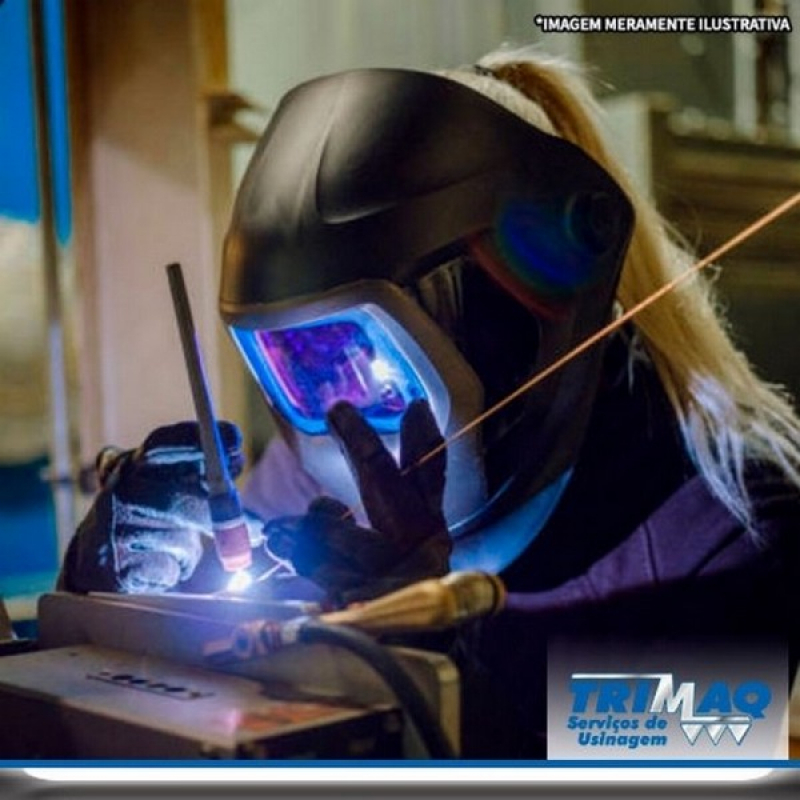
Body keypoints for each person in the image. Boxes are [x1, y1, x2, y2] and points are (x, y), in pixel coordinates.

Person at [58, 48, 800, 758]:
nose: (347, 415)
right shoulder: (313, 469)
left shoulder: (725, 530)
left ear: (516, 313)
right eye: (304, 363)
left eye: (370, 358)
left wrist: (429, 679)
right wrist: (121, 610)